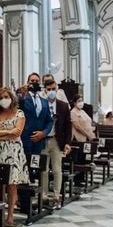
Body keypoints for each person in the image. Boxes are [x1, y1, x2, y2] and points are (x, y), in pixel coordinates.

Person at [0, 88, 27, 225]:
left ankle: (10, 215)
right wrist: (8, 131)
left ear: (12, 98)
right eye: (1, 97)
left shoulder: (19, 113)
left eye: (6, 96)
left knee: (12, 185)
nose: (4, 99)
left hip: (13, 151)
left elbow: (17, 133)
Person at [41, 78, 72, 210]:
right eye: (49, 90)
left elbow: (68, 125)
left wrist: (68, 143)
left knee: (57, 169)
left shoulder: (63, 105)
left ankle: (56, 196)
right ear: (45, 90)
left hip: (56, 140)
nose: (51, 92)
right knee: (43, 170)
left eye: (53, 89)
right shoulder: (41, 104)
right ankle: (44, 196)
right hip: (43, 140)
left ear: (57, 89)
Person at [19, 73, 53, 159]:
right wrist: (22, 93)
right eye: (32, 81)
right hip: (25, 140)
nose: (34, 83)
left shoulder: (44, 101)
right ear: (27, 82)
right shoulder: (22, 98)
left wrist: (44, 133)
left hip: (39, 141)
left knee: (37, 169)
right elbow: (18, 109)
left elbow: (49, 121)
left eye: (37, 81)